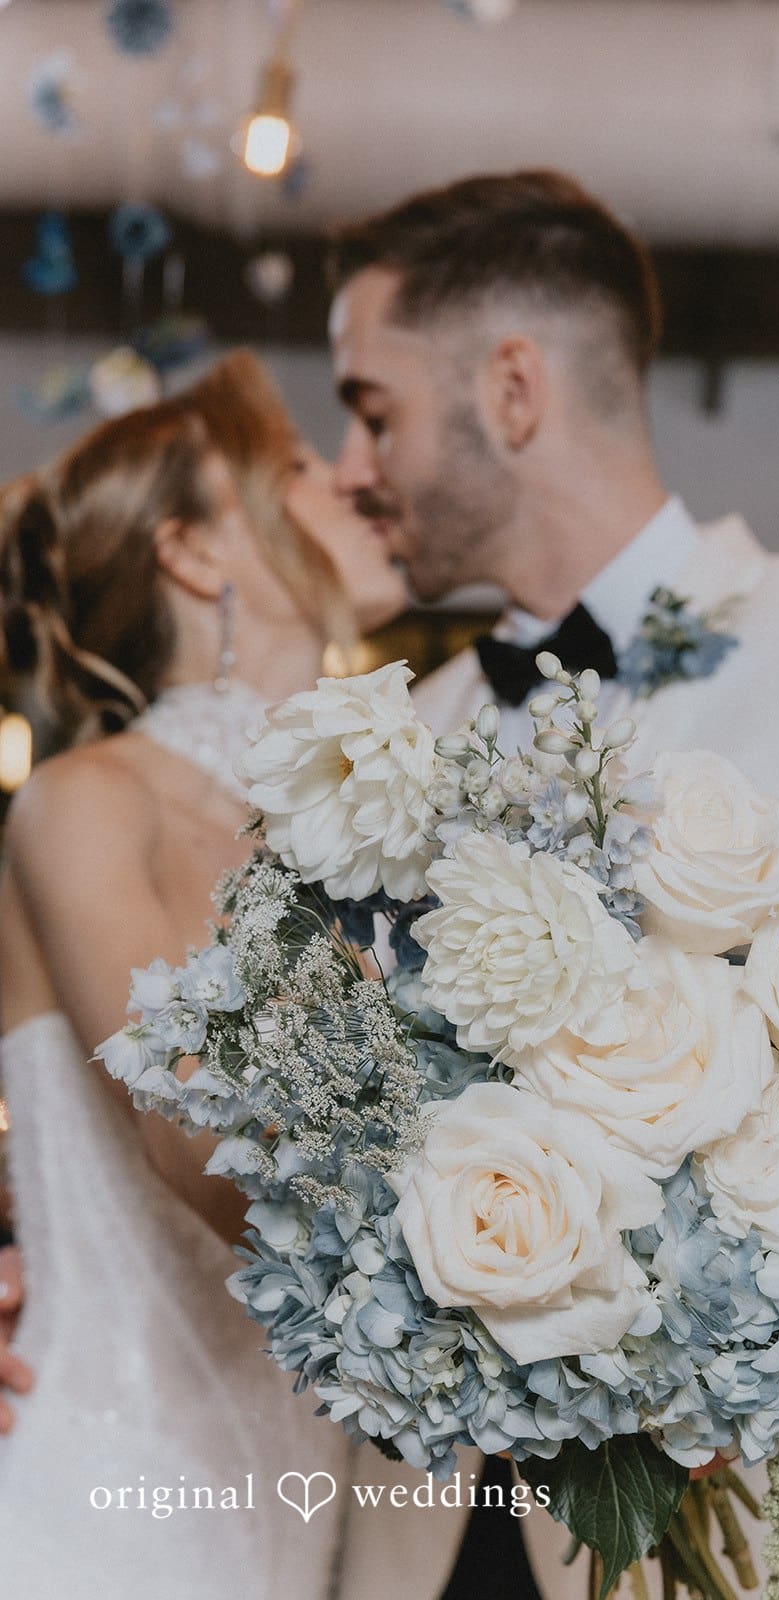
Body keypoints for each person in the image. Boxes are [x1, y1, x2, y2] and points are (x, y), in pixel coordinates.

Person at [323, 170, 779, 1600]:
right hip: (435, 1532)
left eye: (370, 408)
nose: (345, 465)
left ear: (510, 390)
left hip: (764, 1516)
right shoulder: (413, 726)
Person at [0, 350, 407, 1599]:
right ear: (191, 552)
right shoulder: (82, 801)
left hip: (301, 1528)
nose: (352, 481)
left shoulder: (373, 825)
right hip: (104, 1519)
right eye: (292, 470)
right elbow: (202, 1141)